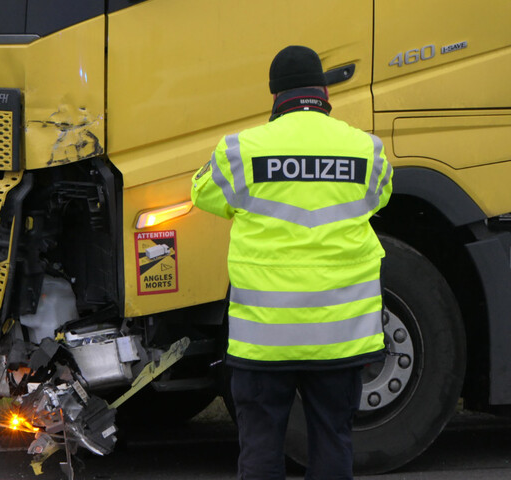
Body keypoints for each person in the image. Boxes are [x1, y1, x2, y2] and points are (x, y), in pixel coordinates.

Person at [191, 45, 393, 480]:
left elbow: (202, 193)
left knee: (261, 447)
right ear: (323, 90)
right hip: (341, 336)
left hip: (265, 338)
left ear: (275, 95)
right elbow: (381, 197)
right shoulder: (367, 150)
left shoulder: (240, 151)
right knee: (333, 440)